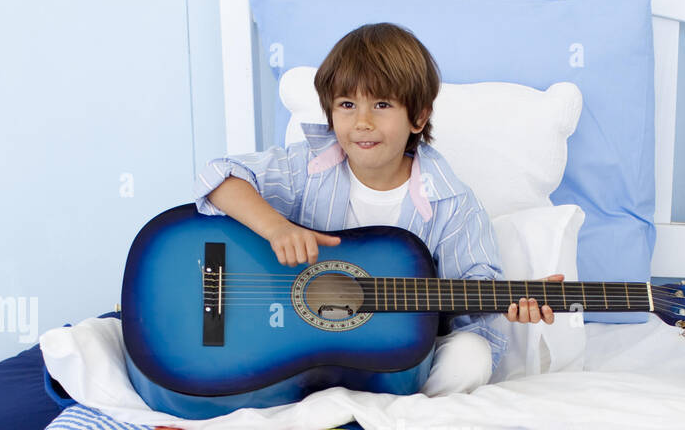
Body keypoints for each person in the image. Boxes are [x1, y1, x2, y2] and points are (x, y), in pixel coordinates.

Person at [193, 22, 559, 396]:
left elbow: (474, 291)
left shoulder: (453, 203)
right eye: (347, 105)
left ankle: (379, 402)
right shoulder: (305, 167)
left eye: (382, 104)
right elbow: (219, 176)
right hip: (291, 336)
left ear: (418, 117)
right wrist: (276, 228)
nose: (362, 122)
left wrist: (511, 298)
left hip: (391, 353)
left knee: (472, 357)